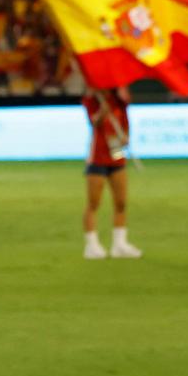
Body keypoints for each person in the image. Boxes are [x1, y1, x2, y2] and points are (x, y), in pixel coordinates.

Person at [82, 87, 140, 259]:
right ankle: (92, 245)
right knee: (94, 203)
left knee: (121, 202)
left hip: (116, 153)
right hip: (98, 156)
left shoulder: (120, 100)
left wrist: (125, 137)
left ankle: (119, 244)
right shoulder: (92, 100)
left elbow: (126, 124)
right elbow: (93, 122)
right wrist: (102, 111)